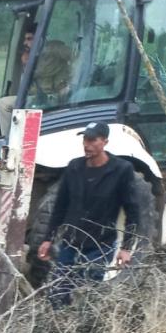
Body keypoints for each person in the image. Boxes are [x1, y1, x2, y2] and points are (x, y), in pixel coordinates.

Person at [36, 123, 142, 309]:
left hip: (100, 245)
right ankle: (59, 323)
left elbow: (132, 211)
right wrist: (48, 239)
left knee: (88, 295)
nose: (87, 144)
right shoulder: (74, 167)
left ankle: (85, 324)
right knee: (58, 293)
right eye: (85, 139)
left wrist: (126, 247)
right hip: (71, 243)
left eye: (93, 140)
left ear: (105, 142)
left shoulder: (121, 170)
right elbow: (60, 206)